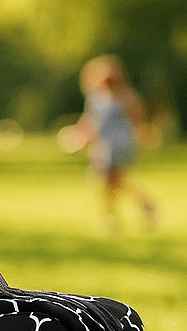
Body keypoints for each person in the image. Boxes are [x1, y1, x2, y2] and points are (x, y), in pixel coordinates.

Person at [59, 54, 157, 231]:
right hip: (104, 145)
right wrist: (78, 137)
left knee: (109, 180)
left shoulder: (126, 97)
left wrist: (141, 135)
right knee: (110, 181)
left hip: (120, 144)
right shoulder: (96, 99)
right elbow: (90, 122)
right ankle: (132, 209)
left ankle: (115, 216)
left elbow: (137, 118)